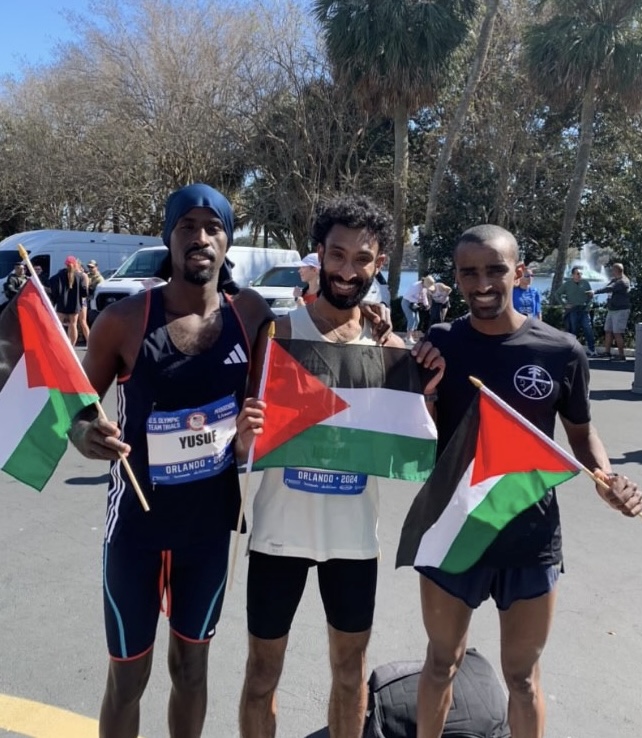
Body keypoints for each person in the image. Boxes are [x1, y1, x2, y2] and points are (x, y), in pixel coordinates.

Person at [410, 224, 641, 738]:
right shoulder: (440, 343)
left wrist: (605, 478)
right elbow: (415, 427)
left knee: (522, 679)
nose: (483, 283)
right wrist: (420, 388)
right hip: (453, 529)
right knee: (441, 662)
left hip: (530, 535)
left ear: (519, 273)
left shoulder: (561, 351)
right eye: (470, 272)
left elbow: (580, 435)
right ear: (458, 278)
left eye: (495, 269)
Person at [68, 183, 273, 738]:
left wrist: (380, 327)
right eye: (187, 226)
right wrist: (90, 435)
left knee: (191, 669)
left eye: (212, 227)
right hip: (134, 529)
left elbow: (293, 378)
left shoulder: (251, 315)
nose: (200, 238)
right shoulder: (125, 320)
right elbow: (77, 414)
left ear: (228, 241)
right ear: (169, 237)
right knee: (128, 679)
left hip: (208, 532)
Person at [236, 195, 445, 738]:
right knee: (261, 676)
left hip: (354, 540)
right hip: (278, 535)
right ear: (320, 254)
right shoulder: (276, 334)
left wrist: (425, 379)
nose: (348, 270)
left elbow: (420, 440)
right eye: (338, 255)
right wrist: (242, 435)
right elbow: (240, 439)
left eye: (363, 259)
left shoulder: (388, 346)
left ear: (378, 265)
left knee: (350, 677)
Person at [554, 266, 596, 356]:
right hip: (573, 310)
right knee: (573, 330)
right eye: (577, 273)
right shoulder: (567, 284)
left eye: (581, 273)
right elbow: (557, 294)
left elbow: (590, 296)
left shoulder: (585, 283)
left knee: (588, 328)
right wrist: (564, 305)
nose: (579, 275)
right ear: (573, 275)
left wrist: (588, 305)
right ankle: (572, 350)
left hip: (583, 310)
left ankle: (592, 349)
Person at [594, 262, 631, 362]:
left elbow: (609, 288)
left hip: (620, 310)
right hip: (612, 309)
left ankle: (621, 355)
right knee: (608, 331)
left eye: (613, 270)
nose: (611, 271)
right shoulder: (615, 280)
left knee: (618, 333)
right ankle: (607, 352)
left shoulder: (623, 281)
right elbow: (608, 287)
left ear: (617, 270)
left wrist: (594, 292)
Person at [49, 255, 88, 346]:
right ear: (75, 264)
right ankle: (72, 345)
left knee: (58, 324)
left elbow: (52, 287)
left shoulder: (59, 276)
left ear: (65, 264)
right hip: (75, 304)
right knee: (73, 324)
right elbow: (84, 293)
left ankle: (56, 343)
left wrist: (55, 298)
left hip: (62, 303)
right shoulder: (80, 276)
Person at [401, 275, 435, 345]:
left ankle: (408, 337)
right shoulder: (415, 286)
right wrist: (418, 300)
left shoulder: (424, 287)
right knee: (412, 319)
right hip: (407, 302)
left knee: (417, 320)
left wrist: (426, 304)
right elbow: (407, 296)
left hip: (414, 304)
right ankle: (409, 338)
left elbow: (424, 296)